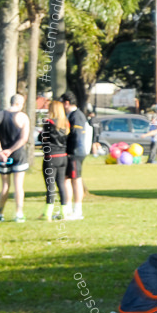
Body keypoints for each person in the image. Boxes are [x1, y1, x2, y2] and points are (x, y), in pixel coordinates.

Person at [0, 94, 32, 222]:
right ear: (20, 103)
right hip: (17, 154)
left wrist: (1, 152)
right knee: (18, 186)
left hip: (3, 157)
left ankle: (0, 214)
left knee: (5, 186)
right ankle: (19, 214)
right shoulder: (23, 117)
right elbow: (24, 138)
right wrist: (11, 150)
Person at [40, 100, 71, 221]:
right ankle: (64, 211)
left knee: (50, 186)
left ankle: (48, 212)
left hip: (51, 157)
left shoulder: (49, 123)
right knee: (61, 184)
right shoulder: (66, 124)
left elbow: (43, 138)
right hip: (63, 156)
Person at [61, 92, 88, 220]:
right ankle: (67, 208)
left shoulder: (76, 116)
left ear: (67, 103)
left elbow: (77, 135)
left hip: (75, 153)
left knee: (76, 179)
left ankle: (77, 210)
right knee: (67, 179)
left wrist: (70, 149)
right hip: (71, 152)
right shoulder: (70, 115)